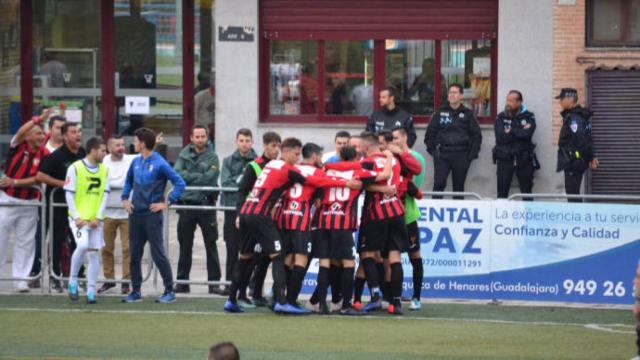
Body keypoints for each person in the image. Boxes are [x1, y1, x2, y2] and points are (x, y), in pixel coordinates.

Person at [224, 137, 357, 314]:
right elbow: (315, 181)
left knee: (246, 257)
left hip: (251, 212)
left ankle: (232, 299)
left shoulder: (272, 164)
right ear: (286, 152)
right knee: (280, 257)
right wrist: (345, 182)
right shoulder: (291, 169)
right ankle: (283, 300)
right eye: (295, 153)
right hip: (275, 217)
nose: (297, 157)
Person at [316, 145, 393, 315]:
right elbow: (385, 175)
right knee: (348, 263)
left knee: (325, 262)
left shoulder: (328, 170)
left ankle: (321, 304)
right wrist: (389, 158)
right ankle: (345, 305)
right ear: (355, 157)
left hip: (324, 221)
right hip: (342, 223)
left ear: (340, 156)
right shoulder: (359, 171)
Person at [278, 142, 350, 312]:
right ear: (315, 156)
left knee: (287, 259)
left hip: (285, 218)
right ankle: (291, 301)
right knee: (301, 260)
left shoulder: (293, 169)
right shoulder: (317, 172)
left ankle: (279, 298)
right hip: (301, 221)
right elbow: (330, 183)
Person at [121, 128, 185, 303]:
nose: (133, 143)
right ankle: (135, 291)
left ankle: (169, 290)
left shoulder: (160, 163)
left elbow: (179, 183)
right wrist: (125, 198)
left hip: (151, 216)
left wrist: (166, 203)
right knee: (134, 254)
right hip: (135, 215)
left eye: (135, 140)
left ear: (142, 143)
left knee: (158, 254)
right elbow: (128, 180)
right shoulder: (135, 161)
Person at [0, 110, 50, 292]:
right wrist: (38, 119)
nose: (42, 136)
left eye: (42, 133)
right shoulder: (18, 145)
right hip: (8, 199)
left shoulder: (45, 153)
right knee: (1, 238)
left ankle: (21, 279)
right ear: (28, 136)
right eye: (38, 133)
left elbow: (39, 178)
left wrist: (15, 181)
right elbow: (21, 132)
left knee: (26, 241)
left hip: (30, 202)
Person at [359, 132, 408, 315]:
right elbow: (395, 183)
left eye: (360, 146)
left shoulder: (367, 162)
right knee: (394, 257)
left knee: (368, 254)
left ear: (366, 146)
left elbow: (363, 184)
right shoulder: (393, 160)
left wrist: (380, 188)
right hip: (396, 211)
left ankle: (375, 297)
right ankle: (396, 302)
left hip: (377, 213)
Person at [36, 121, 86, 291]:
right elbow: (40, 176)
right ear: (65, 136)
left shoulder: (83, 153)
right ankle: (54, 276)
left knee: (79, 242)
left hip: (78, 208)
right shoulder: (56, 156)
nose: (78, 135)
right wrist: (63, 183)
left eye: (79, 131)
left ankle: (77, 275)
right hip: (57, 205)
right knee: (57, 242)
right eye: (73, 132)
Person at [234, 131, 281, 308]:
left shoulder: (280, 166)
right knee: (249, 257)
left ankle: (257, 293)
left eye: (278, 146)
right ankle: (241, 294)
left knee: (265, 258)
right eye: (272, 146)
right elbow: (242, 191)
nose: (275, 149)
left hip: (269, 220)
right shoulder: (254, 166)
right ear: (264, 146)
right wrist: (239, 214)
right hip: (253, 218)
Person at [173, 125, 222, 294]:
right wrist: (197, 177)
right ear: (191, 138)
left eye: (203, 136)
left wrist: (190, 177)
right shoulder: (183, 154)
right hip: (187, 205)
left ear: (207, 137)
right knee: (184, 245)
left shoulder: (213, 157)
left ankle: (214, 283)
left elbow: (210, 179)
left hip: (206, 205)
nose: (200, 139)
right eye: (197, 136)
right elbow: (177, 175)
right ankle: (182, 282)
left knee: (211, 245)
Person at [65, 137, 110, 304]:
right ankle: (72, 281)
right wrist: (76, 217)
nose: (105, 154)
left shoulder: (105, 170)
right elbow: (69, 193)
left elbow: (104, 194)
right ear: (93, 150)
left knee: (93, 254)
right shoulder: (75, 168)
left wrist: (98, 217)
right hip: (79, 220)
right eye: (103, 150)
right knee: (82, 245)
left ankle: (91, 290)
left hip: (95, 220)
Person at [424, 83, 482, 199]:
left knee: (458, 187)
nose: (452, 95)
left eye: (455, 93)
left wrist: (470, 155)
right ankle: (436, 211)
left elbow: (477, 136)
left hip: (462, 155)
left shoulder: (467, 114)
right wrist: (434, 152)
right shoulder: (440, 113)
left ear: (461, 95)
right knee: (439, 184)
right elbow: (430, 134)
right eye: (450, 92)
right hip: (443, 154)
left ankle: (457, 215)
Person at [220, 129, 257, 296]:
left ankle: (250, 285)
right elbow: (226, 184)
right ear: (236, 141)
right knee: (232, 249)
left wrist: (241, 183)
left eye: (247, 140)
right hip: (232, 210)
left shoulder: (258, 161)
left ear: (252, 142)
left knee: (250, 250)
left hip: (251, 211)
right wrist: (243, 183)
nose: (244, 143)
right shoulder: (227, 161)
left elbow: (257, 187)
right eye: (241, 140)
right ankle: (230, 283)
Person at [391, 127, 425, 310]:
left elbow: (417, 179)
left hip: (408, 215)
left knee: (415, 256)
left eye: (396, 137)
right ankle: (391, 297)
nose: (393, 141)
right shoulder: (389, 156)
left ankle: (417, 297)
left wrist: (409, 188)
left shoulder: (416, 157)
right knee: (389, 257)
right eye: (392, 138)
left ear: (404, 138)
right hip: (390, 215)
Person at [98, 135, 136, 295]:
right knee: (106, 248)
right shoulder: (104, 161)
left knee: (128, 249)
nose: (121, 148)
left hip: (127, 213)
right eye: (117, 145)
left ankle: (126, 281)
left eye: (122, 145)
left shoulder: (131, 159)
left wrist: (155, 143)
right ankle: (109, 279)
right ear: (109, 147)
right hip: (107, 212)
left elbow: (149, 154)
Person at [555, 88, 598, 202]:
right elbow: (588, 139)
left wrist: (590, 157)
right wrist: (592, 156)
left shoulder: (574, 118)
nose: (560, 102)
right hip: (574, 160)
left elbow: (581, 140)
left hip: (573, 161)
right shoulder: (577, 116)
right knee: (573, 194)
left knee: (572, 194)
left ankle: (576, 219)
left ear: (570, 99)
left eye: (562, 99)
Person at [494, 90, 537, 198]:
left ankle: (528, 214)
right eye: (507, 100)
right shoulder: (501, 116)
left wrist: (510, 131)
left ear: (519, 102)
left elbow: (527, 135)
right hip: (504, 158)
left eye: (511, 101)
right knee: (502, 193)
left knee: (526, 192)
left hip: (524, 158)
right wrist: (519, 131)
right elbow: (500, 136)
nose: (508, 103)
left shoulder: (528, 116)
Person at [195, 74, 215, 143]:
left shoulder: (220, 97)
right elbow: (193, 112)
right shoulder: (200, 96)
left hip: (214, 130)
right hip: (202, 128)